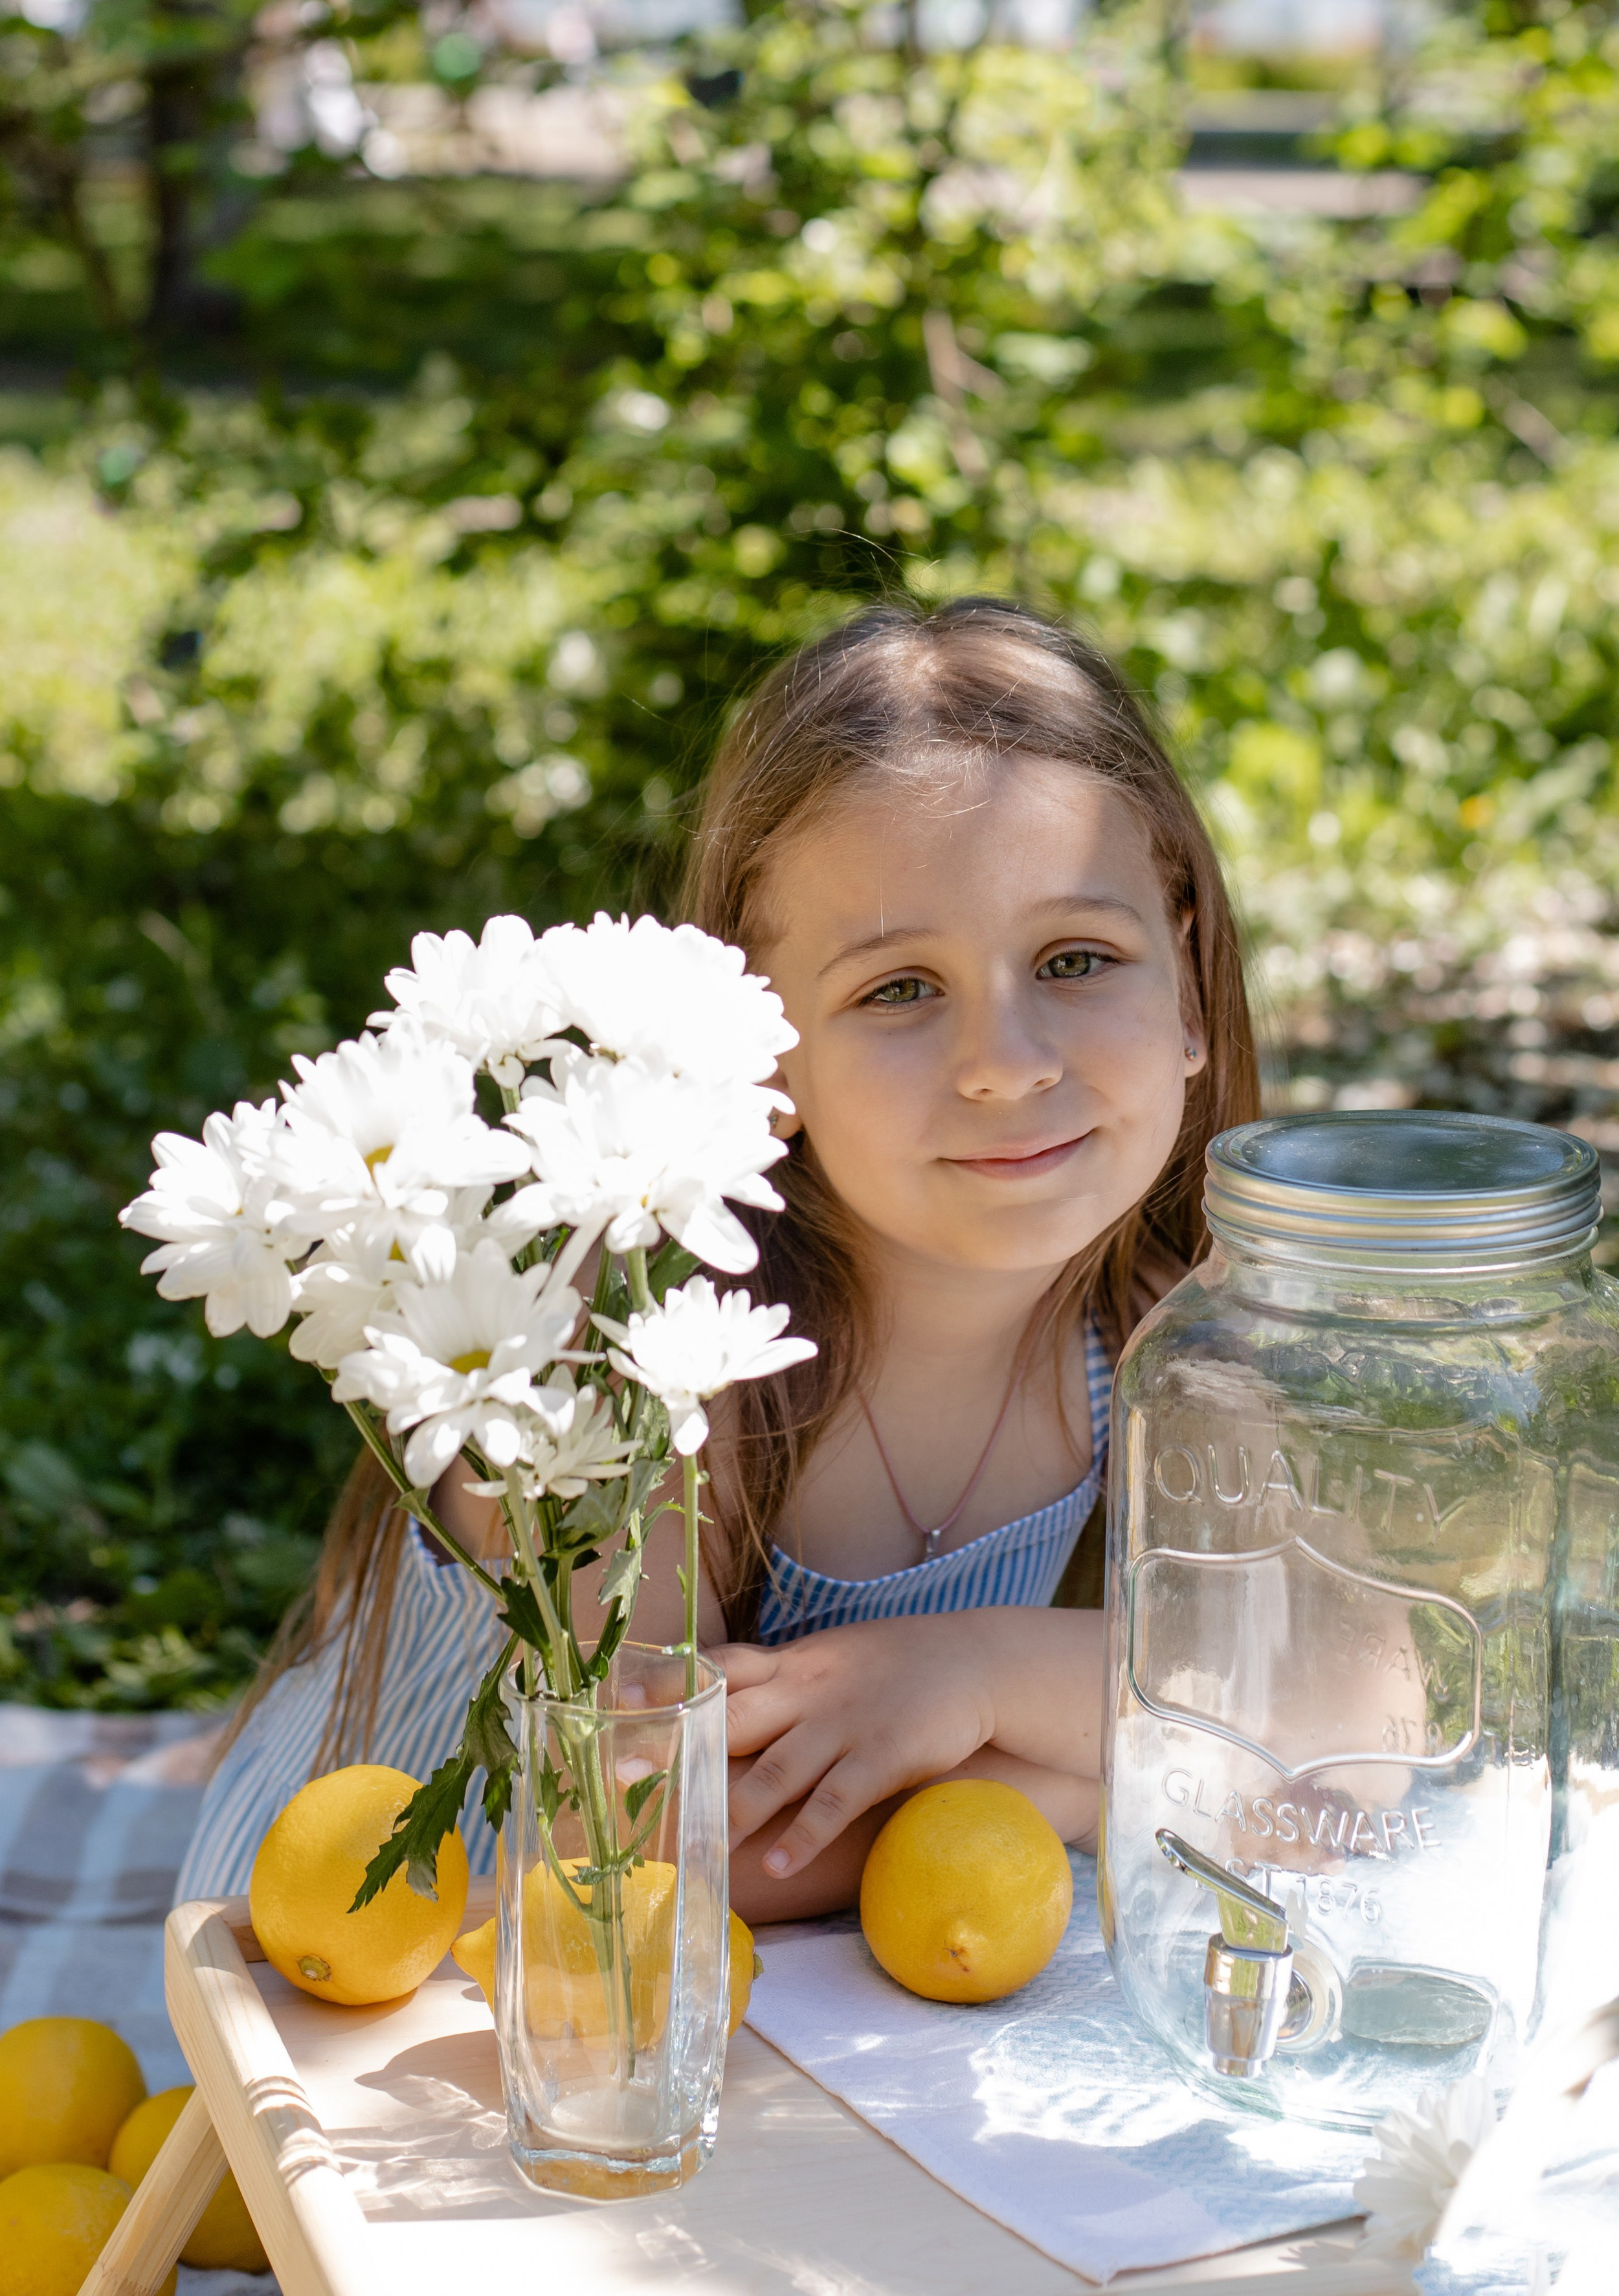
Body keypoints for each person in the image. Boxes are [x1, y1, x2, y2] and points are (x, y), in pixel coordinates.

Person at [175, 597, 1258, 1919]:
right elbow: (623, 1841)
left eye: (1075, 959)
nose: (1006, 1066)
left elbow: (1343, 1701)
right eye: (897, 990)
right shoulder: (650, 1354)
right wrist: (1094, 1781)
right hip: (393, 1976)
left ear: (1190, 989)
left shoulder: (1170, 1340)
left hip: (790, 1986)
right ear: (759, 1047)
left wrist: (971, 1674)